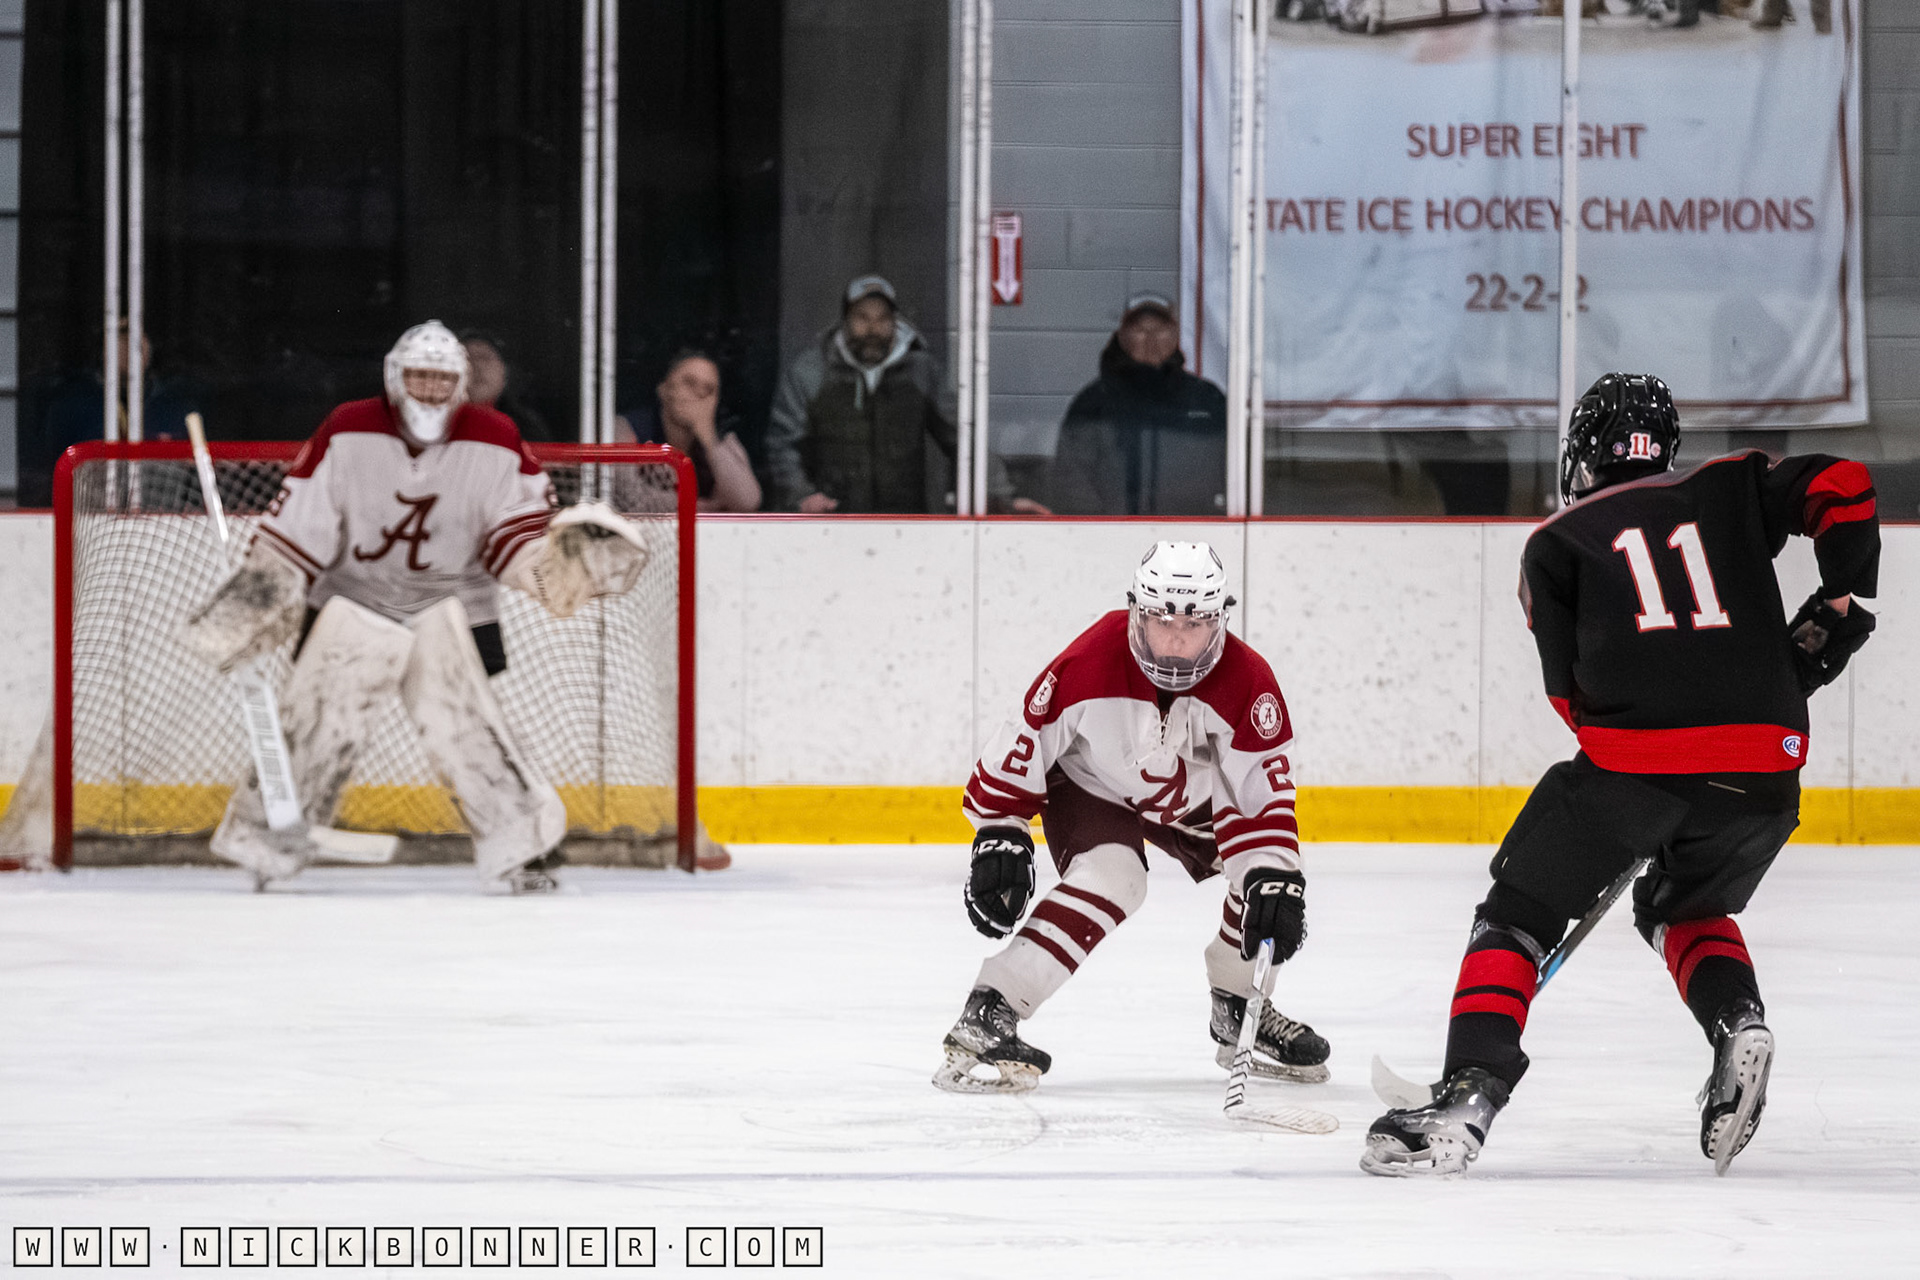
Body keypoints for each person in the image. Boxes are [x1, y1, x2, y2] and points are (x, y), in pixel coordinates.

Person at [1361, 373, 1880, 1178]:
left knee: (1515, 919)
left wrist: (1645, 794)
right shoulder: (1733, 483)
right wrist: (1839, 601)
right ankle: (1738, 1020)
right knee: (1685, 904)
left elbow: (1572, 699)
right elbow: (1843, 486)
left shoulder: (1555, 543)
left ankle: (1468, 1096)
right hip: (1766, 772)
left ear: (1583, 452)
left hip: (1635, 772)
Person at [179, 320, 653, 893]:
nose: (429, 390)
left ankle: (522, 842)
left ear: (460, 384)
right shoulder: (347, 428)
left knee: (466, 726)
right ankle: (267, 841)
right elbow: (300, 527)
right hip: (353, 600)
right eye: (419, 377)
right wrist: (257, 602)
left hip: (451, 605)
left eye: (440, 379)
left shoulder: (496, 436)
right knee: (321, 721)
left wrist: (555, 569)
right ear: (394, 378)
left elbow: (514, 533)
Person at [934, 541, 1330, 1094]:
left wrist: (1272, 873)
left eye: (1195, 623)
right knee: (1116, 878)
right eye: (1161, 619)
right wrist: (1001, 830)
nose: (1175, 640)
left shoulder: (1249, 681)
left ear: (1220, 618)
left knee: (1270, 878)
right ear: (1135, 610)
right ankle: (992, 1007)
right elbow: (1024, 741)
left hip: (1188, 799)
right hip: (1092, 783)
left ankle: (1239, 1005)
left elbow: (1258, 799)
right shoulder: (1090, 659)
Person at [766, 274, 1041, 514]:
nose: (872, 329)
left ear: (895, 322)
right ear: (844, 321)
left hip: (907, 524)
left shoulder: (921, 372)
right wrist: (801, 496)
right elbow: (782, 443)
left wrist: (1001, 496)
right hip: (832, 523)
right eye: (862, 318)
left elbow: (963, 437)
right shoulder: (810, 373)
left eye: (882, 319)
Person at [1047, 293, 1229, 516]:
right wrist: (1096, 532)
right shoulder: (1094, 403)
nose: (1151, 339)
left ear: (1175, 336)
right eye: (1140, 330)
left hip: (1194, 541)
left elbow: (1234, 471)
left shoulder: (1207, 399)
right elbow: (1072, 479)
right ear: (1122, 336)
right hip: (1114, 540)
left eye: (1160, 330)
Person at [616, 348, 762, 512]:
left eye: (709, 389)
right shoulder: (629, 428)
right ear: (664, 389)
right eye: (689, 383)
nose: (699, 394)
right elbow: (622, 493)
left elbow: (747, 502)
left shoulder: (722, 442)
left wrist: (708, 438)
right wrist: (692, 506)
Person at [460, 332, 557, 443]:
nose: (477, 366)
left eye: (485, 358)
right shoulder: (440, 423)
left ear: (504, 371)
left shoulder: (524, 426)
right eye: (467, 358)